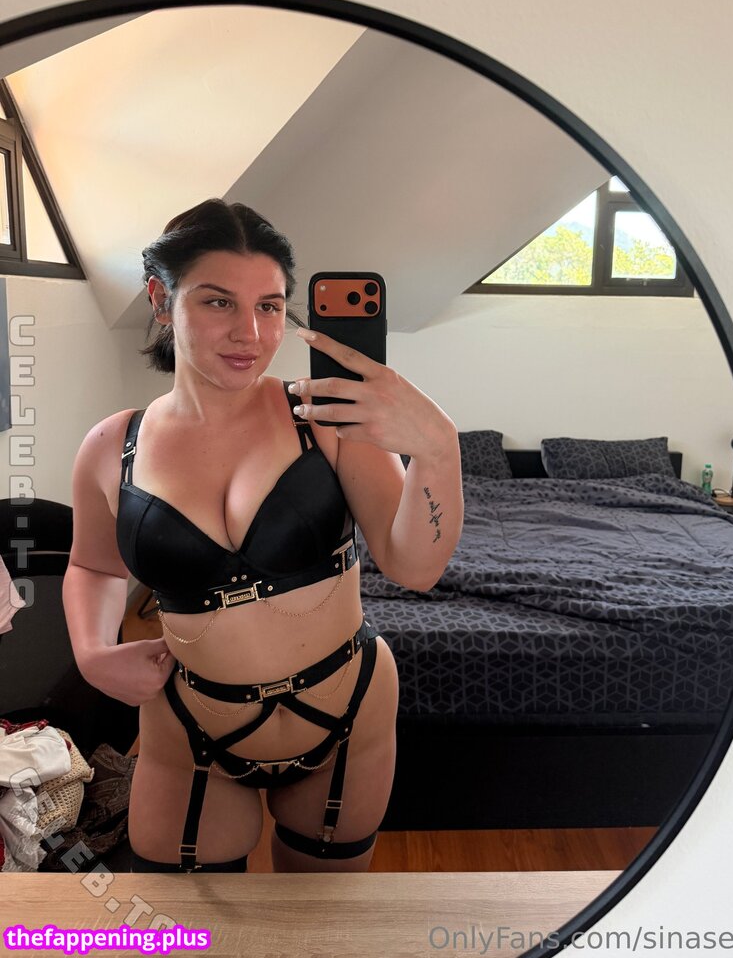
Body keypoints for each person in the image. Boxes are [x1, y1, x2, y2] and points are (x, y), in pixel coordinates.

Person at [62, 199, 463, 873]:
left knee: (317, 923)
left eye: (270, 306)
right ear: (161, 299)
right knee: (190, 924)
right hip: (191, 730)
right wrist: (91, 651)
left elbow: (414, 566)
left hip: (347, 714)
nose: (249, 332)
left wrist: (438, 449)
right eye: (218, 302)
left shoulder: (325, 417)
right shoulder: (112, 446)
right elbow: (94, 567)